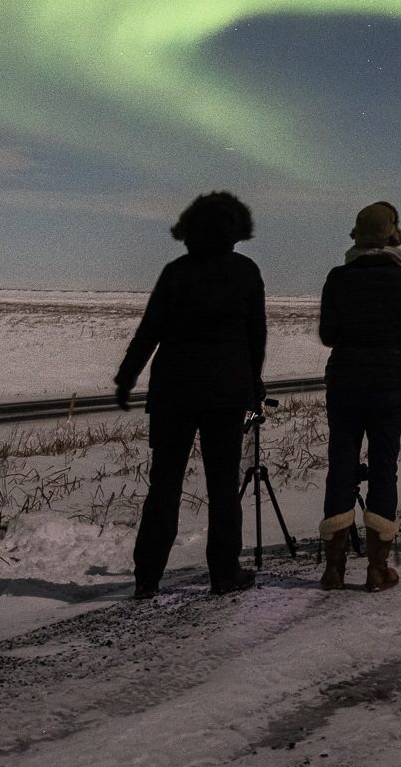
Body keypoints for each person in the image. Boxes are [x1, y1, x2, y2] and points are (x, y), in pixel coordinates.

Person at [115, 189, 266, 598]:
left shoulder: (176, 272)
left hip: (173, 393)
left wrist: (126, 377)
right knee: (222, 488)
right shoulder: (246, 272)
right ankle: (224, 574)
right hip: (226, 394)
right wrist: (254, 387)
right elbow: (257, 337)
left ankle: (147, 577)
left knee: (164, 484)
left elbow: (150, 330)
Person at [317, 199, 401, 592]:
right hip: (388, 385)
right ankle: (377, 570)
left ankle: (333, 570)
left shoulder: (338, 277)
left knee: (341, 468)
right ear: (392, 235)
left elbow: (328, 335)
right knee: (384, 469)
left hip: (344, 383)